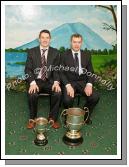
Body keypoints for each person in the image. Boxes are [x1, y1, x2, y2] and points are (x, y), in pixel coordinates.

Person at [25, 30, 61, 129]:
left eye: (47, 38)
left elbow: (56, 70)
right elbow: (28, 69)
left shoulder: (55, 52)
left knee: (58, 93)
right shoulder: (31, 51)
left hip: (50, 81)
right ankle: (32, 118)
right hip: (36, 81)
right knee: (32, 94)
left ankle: (52, 118)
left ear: (50, 39)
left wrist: (56, 82)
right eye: (43, 37)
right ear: (39, 39)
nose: (45, 40)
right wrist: (32, 83)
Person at [60, 33, 100, 124]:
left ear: (81, 43)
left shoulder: (87, 55)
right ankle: (68, 117)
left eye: (79, 42)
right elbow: (61, 72)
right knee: (67, 99)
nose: (76, 44)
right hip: (69, 82)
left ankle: (85, 115)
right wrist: (67, 85)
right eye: (74, 42)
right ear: (71, 42)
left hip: (82, 82)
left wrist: (89, 84)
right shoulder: (64, 55)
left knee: (95, 96)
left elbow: (90, 71)